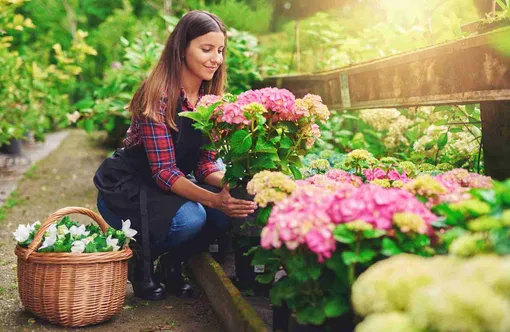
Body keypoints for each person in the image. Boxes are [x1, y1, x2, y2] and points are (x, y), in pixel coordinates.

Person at [93, 10, 256, 300]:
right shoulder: (157, 95)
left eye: (220, 50)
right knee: (193, 217)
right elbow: (164, 171)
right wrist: (213, 198)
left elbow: (205, 164)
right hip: (128, 190)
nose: (216, 59)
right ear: (181, 50)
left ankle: (173, 263)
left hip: (167, 187)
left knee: (225, 212)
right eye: (206, 49)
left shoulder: (209, 99)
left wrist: (233, 184)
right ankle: (140, 258)